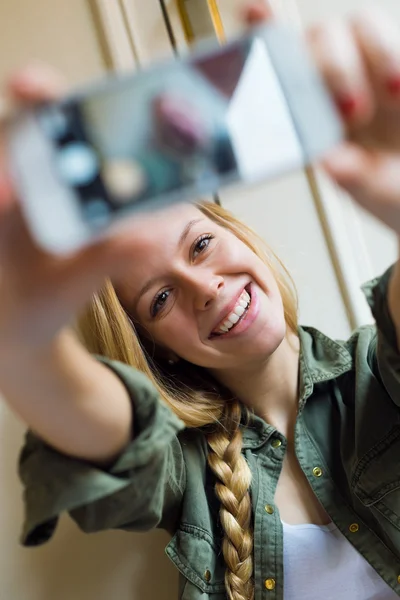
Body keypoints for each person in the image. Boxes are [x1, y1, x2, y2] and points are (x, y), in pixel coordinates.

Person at [1, 2, 400, 599]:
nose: (205, 288)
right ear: (157, 349)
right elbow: (99, 427)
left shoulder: (379, 370)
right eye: (160, 299)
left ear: (239, 233)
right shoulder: (185, 474)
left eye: (202, 245)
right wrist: (22, 343)